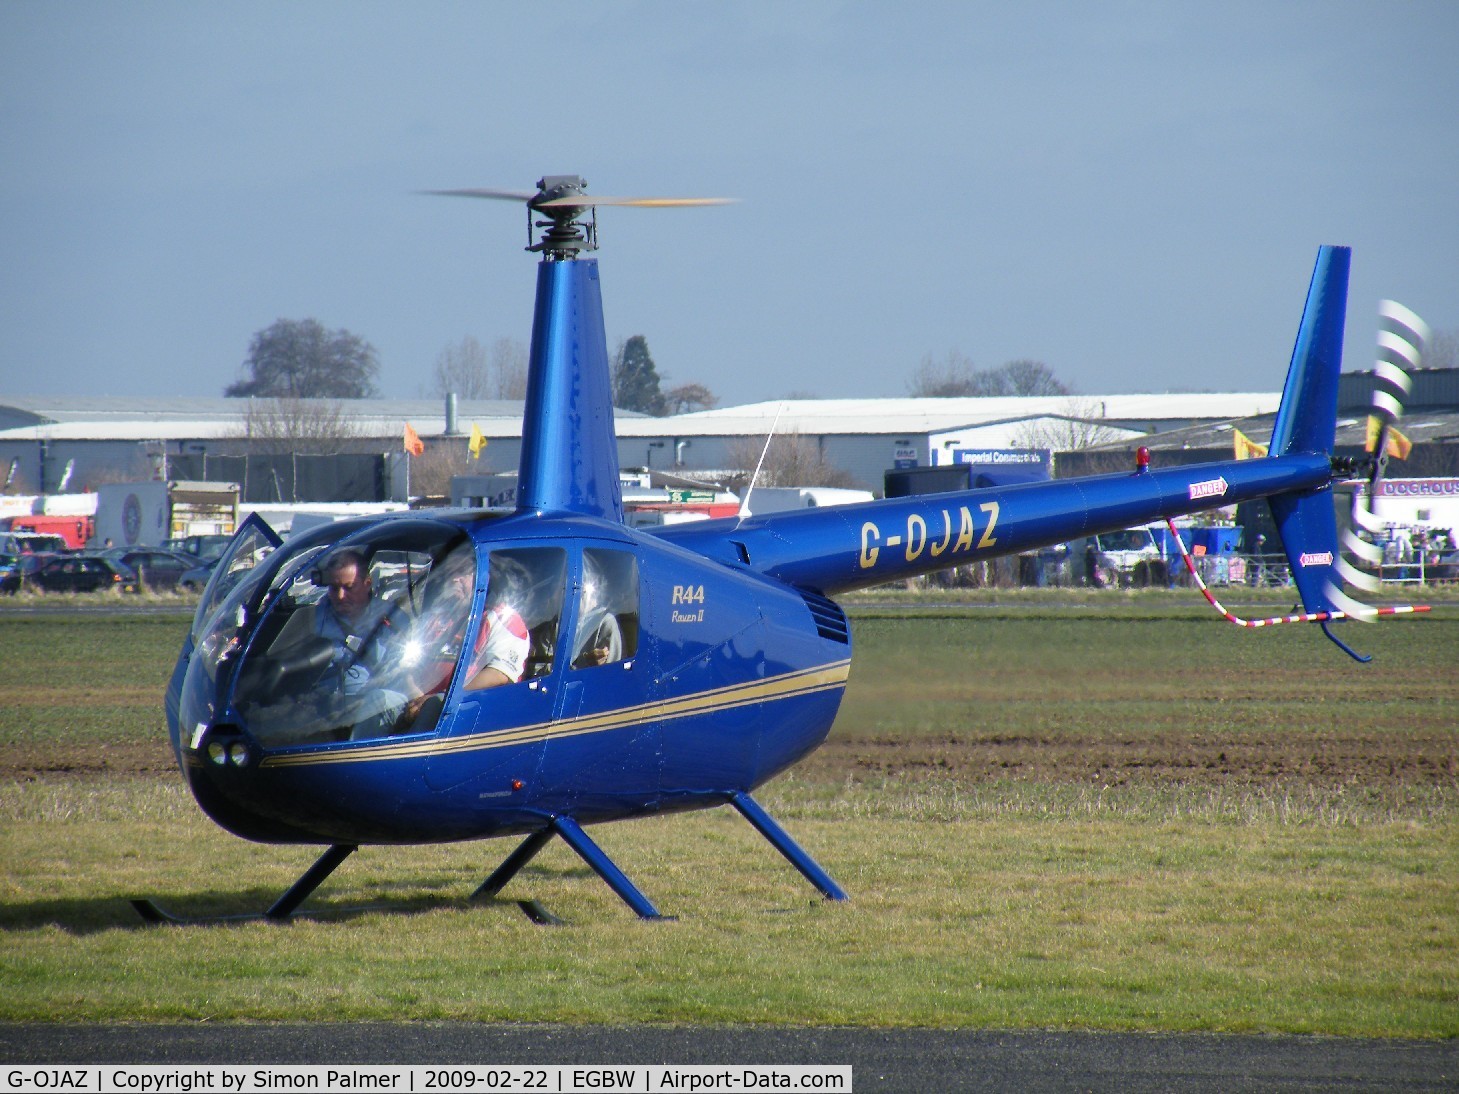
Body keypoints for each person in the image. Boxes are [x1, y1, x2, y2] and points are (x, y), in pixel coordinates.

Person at [313, 549, 407, 739]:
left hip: (375, 701)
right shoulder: (314, 618)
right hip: (327, 707)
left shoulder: (393, 618)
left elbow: (402, 672)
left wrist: (362, 698)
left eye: (349, 587)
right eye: (333, 588)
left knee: (378, 699)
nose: (340, 596)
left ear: (367, 584)